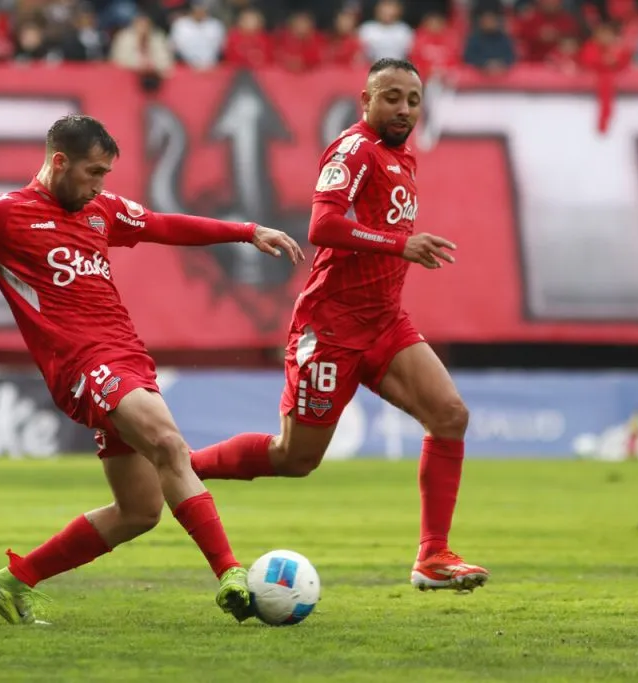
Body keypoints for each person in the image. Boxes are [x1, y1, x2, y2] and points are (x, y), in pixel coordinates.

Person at [0, 114, 305, 624]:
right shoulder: (4, 215)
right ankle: (230, 573)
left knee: (139, 511)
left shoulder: (101, 211)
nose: (99, 185)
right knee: (170, 445)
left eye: (105, 174)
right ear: (60, 162)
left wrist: (247, 231)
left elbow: (162, 225)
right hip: (85, 367)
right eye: (93, 172)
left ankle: (12, 581)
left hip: (128, 359)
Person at [189, 58, 490, 593]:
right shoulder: (354, 149)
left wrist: (396, 251)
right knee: (295, 457)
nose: (404, 109)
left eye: (413, 100)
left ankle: (433, 556)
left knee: (449, 415)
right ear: (366, 100)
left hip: (384, 321)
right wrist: (400, 244)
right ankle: (181, 468)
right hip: (330, 327)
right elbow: (322, 225)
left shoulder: (402, 155)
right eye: (392, 97)